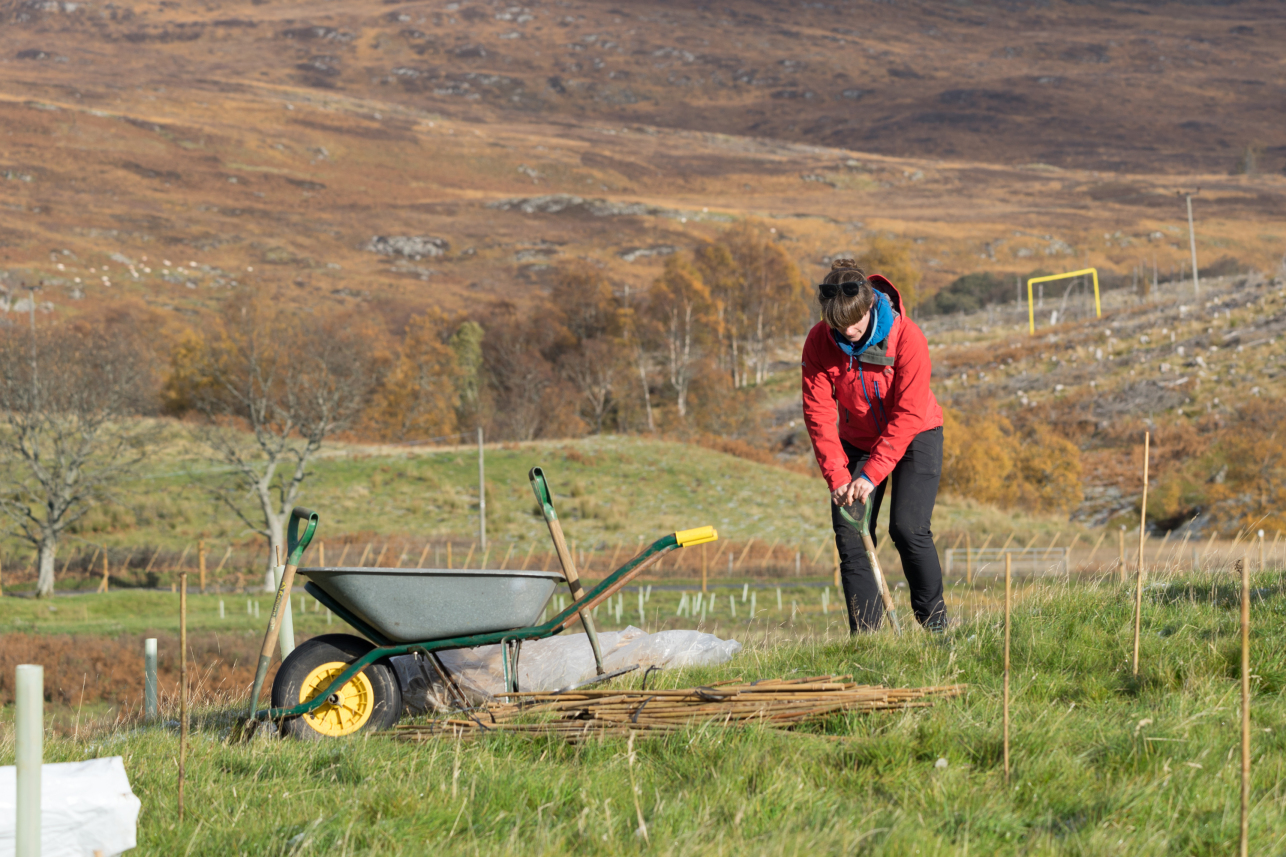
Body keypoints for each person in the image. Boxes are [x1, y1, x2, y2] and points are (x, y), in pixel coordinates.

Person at [801, 259, 946, 632]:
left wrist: (872, 474)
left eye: (855, 323)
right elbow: (818, 416)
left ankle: (935, 627)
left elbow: (910, 412)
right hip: (857, 441)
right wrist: (838, 477)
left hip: (915, 434)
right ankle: (867, 638)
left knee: (908, 528)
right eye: (838, 326)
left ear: (869, 307)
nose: (847, 332)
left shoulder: (907, 336)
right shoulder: (819, 342)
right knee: (851, 534)